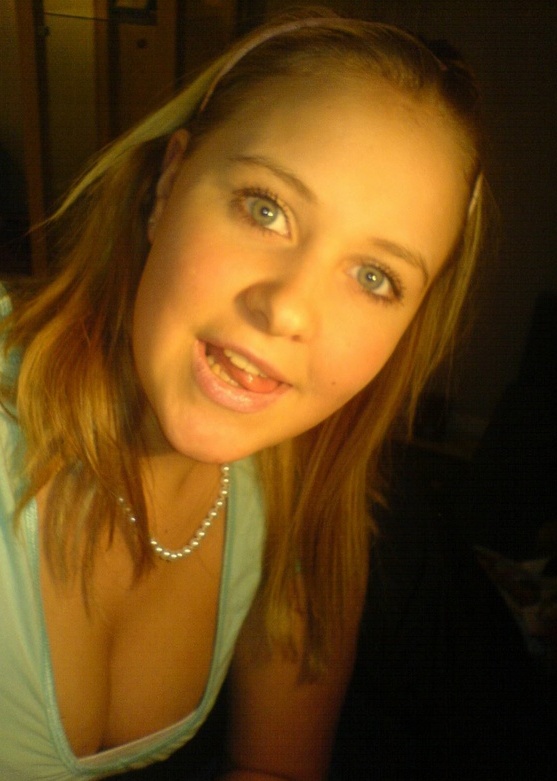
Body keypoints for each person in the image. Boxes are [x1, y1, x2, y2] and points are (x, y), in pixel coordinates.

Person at [0, 8, 491, 780]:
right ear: (168, 184)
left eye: (374, 277)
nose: (288, 308)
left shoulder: (304, 507)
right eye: (266, 209)